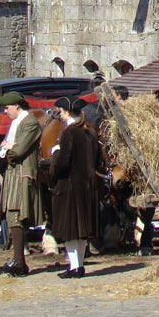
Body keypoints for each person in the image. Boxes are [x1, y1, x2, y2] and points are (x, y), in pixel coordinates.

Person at [47, 96, 99, 279]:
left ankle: (74, 267)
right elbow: (98, 160)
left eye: (60, 112)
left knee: (70, 229)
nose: (59, 116)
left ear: (67, 112)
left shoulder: (69, 132)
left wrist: (55, 154)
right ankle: (79, 265)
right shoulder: (91, 132)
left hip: (70, 185)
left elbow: (63, 162)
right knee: (82, 230)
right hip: (88, 186)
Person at [0, 91, 43, 276]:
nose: (5, 111)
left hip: (23, 172)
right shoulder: (17, 123)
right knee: (12, 214)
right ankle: (18, 260)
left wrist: (8, 149)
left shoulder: (29, 122)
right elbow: (2, 147)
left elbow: (18, 151)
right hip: (13, 171)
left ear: (17, 105)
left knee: (17, 214)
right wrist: (6, 148)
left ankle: (19, 263)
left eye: (7, 107)